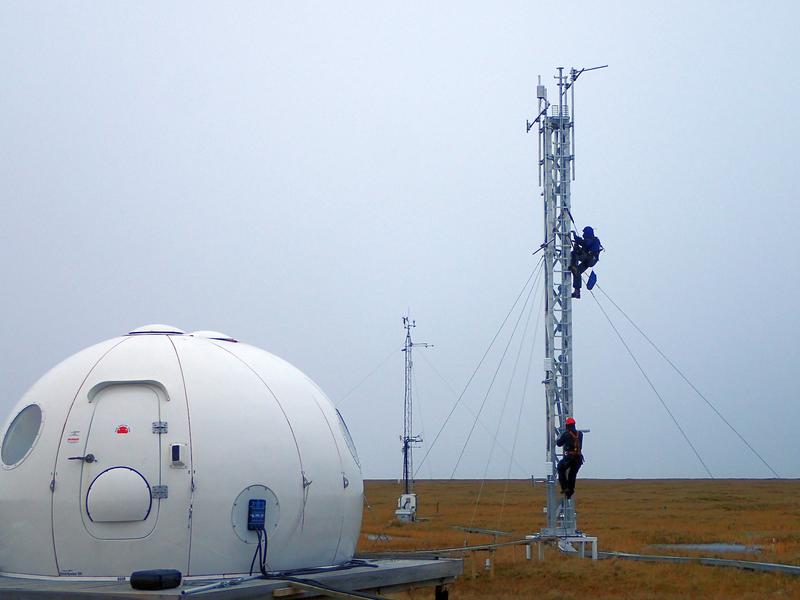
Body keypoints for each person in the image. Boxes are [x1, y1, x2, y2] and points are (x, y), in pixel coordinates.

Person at [569, 226, 601, 299]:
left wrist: (576, 237)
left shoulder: (593, 240)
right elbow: (584, 246)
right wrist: (577, 246)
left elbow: (585, 243)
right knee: (577, 272)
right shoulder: (591, 240)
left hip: (590, 259)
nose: (583, 234)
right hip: (589, 260)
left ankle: (573, 266)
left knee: (574, 253)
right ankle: (577, 292)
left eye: (584, 233)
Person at [556, 416, 584, 499]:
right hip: (578, 458)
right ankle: (570, 491)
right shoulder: (580, 434)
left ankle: (565, 488)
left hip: (570, 457)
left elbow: (559, 443)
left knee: (560, 468)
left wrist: (560, 437)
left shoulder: (566, 434)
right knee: (572, 474)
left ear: (567, 425)